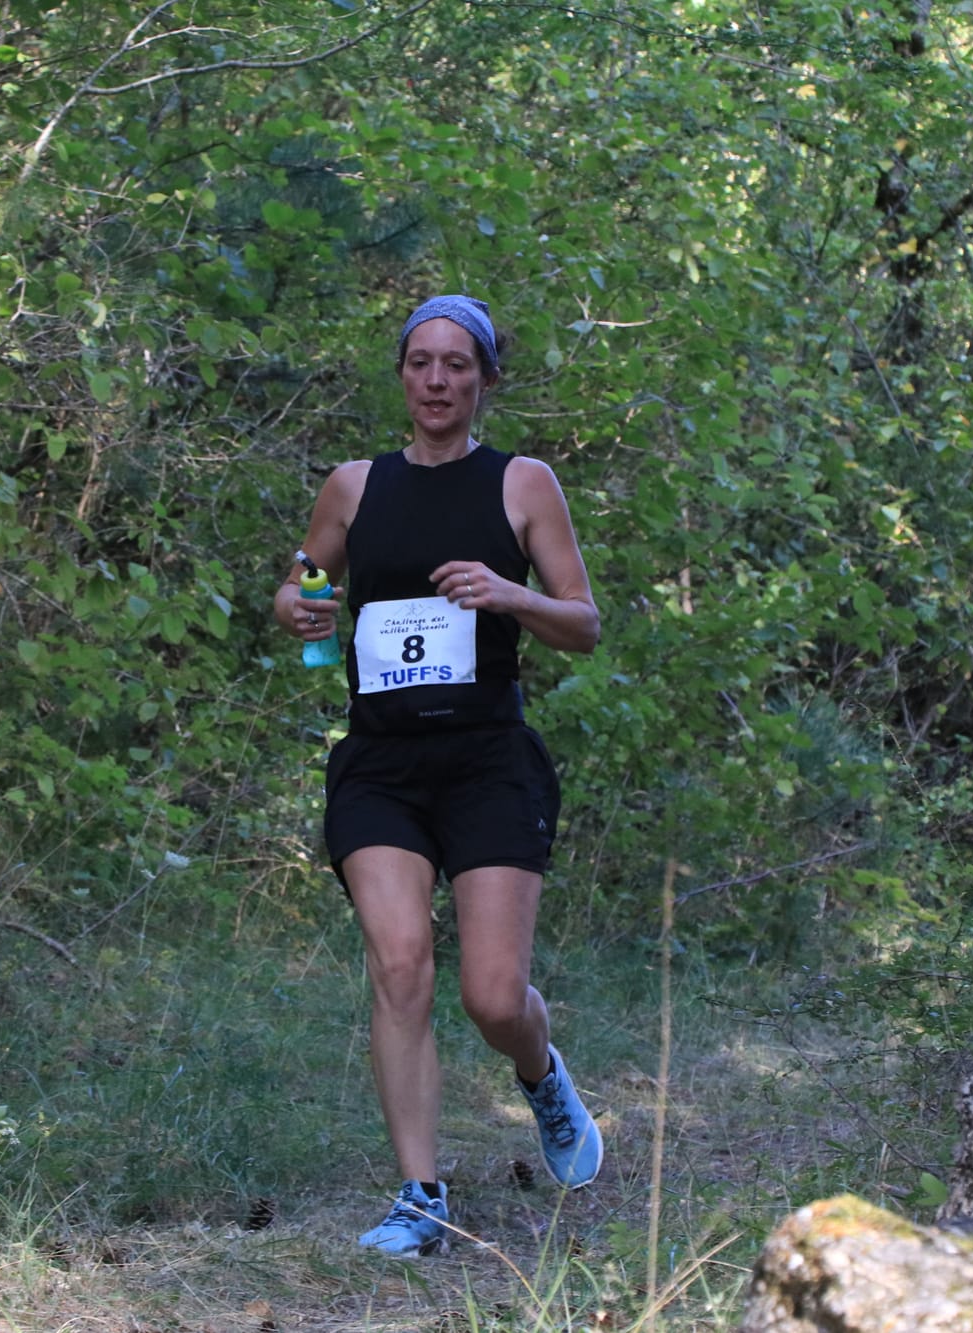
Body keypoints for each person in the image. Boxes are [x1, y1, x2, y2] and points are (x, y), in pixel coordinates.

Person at [272, 295, 604, 1258]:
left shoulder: (523, 483)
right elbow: (300, 582)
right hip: (380, 764)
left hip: (488, 759)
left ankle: (541, 1075)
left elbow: (583, 623)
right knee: (401, 963)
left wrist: (507, 593)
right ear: (402, 374)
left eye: (458, 363)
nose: (437, 379)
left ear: (485, 378)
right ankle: (421, 1197)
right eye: (421, 361)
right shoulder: (353, 486)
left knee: (493, 996)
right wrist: (298, 606)